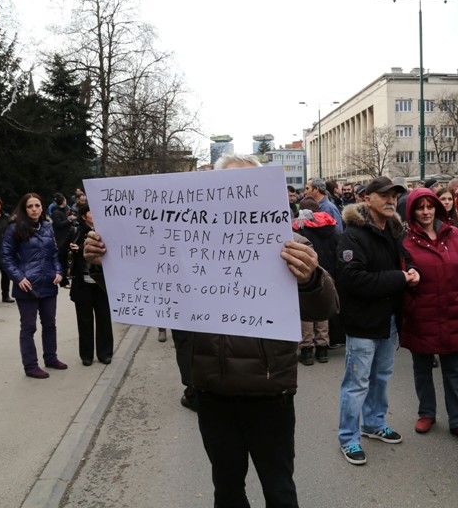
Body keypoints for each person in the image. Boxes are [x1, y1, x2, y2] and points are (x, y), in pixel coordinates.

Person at [85, 153, 339, 507]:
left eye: (247, 186)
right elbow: (141, 285)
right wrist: (104, 263)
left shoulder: (290, 245)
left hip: (270, 394)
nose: (236, 194)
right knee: (227, 489)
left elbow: (326, 308)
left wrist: (312, 279)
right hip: (213, 393)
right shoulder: (183, 245)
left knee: (280, 489)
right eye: (227, 186)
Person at [336, 176, 419, 465]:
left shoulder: (394, 231)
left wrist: (414, 271)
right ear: (366, 198)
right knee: (357, 382)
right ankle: (348, 437)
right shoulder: (352, 235)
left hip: (388, 320)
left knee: (381, 378)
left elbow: (407, 259)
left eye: (395, 196)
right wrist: (400, 278)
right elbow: (353, 280)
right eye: (384, 195)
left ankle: (373, 423)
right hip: (362, 322)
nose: (391, 201)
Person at [400, 188, 458, 446]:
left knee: (453, 370)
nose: (425, 212)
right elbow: (400, 276)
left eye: (429, 206)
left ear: (437, 208)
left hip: (453, 312)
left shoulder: (454, 235)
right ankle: (426, 413)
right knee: (422, 368)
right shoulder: (405, 240)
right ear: (412, 211)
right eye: (420, 207)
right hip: (420, 314)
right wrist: (410, 303)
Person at [1, 193, 67, 379]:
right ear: (24, 208)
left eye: (37, 205)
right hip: (27, 286)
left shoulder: (47, 226)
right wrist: (18, 277)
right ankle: (30, 366)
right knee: (29, 327)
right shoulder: (14, 229)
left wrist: (59, 272)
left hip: (49, 283)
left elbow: (54, 253)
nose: (34, 209)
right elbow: (6, 257)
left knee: (50, 324)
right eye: (30, 206)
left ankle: (51, 357)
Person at [291, 197, 341, 365]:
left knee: (306, 311)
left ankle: (306, 349)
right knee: (322, 310)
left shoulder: (299, 228)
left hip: (306, 274)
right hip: (329, 274)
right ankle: (322, 347)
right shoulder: (332, 227)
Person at [68, 204, 113, 366]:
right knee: (84, 321)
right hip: (83, 283)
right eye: (90, 212)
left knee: (104, 319)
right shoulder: (75, 231)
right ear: (83, 216)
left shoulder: (107, 230)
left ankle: (105, 353)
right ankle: (86, 356)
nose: (94, 214)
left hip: (102, 283)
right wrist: (79, 249)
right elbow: (64, 250)